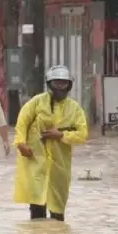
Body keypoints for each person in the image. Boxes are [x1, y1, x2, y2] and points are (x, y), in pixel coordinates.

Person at [12, 65, 88, 221]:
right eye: (56, 83)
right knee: (37, 210)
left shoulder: (75, 109)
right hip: (36, 162)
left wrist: (61, 135)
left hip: (60, 166)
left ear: (69, 85)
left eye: (63, 83)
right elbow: (22, 123)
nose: (60, 87)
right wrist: (20, 143)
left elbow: (82, 135)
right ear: (49, 83)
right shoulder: (36, 103)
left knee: (57, 211)